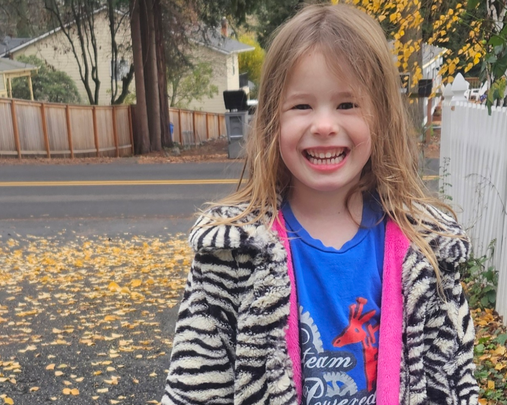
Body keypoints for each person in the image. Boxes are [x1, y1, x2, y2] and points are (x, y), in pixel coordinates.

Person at [161, 4, 478, 405]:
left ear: (381, 116)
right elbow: (195, 387)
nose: (324, 125)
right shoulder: (231, 255)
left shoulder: (427, 252)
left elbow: (453, 381)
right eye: (302, 106)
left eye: (347, 104)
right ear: (272, 119)